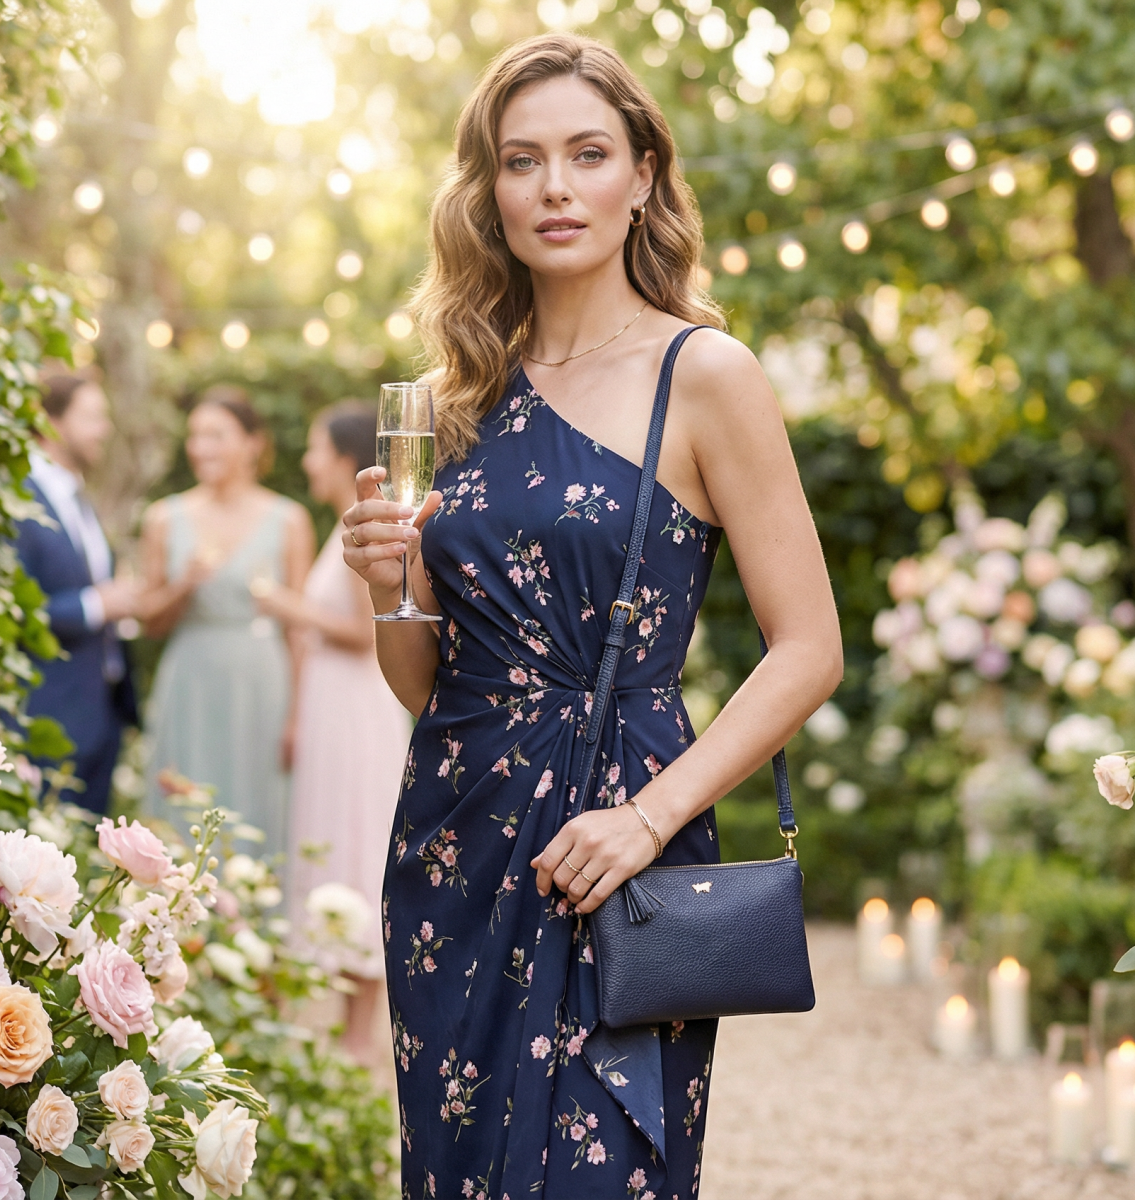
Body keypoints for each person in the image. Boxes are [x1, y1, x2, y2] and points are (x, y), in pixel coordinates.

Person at [341, 34, 844, 1199]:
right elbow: (433, 686)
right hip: (452, 847)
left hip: (618, 848)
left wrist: (649, 820)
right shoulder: (451, 397)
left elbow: (811, 646)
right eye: (523, 161)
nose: (555, 187)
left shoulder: (706, 375)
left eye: (586, 154)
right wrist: (387, 590)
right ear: (488, 193)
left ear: (643, 179)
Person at [255, 401, 411, 1066]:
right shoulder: (335, 530)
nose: (308, 461)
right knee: (337, 843)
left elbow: (361, 629)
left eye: (317, 449)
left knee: (358, 842)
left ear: (345, 458)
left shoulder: (358, 530)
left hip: (357, 711)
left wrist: (287, 606)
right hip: (333, 711)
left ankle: (360, 1032)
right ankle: (348, 1023)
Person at [139, 385, 313, 861]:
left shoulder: (289, 519)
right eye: (195, 436)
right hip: (190, 679)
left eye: (216, 435)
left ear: (253, 443)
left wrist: (298, 716)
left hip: (260, 682)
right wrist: (183, 584)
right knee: (181, 799)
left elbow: (298, 628)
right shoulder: (163, 517)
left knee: (255, 805)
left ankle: (250, 925)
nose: (200, 447)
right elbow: (149, 624)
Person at [16, 373, 141, 814]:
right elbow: (11, 610)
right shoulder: (18, 498)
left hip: (101, 715)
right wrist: (97, 604)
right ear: (50, 422)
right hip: (48, 715)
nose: (103, 430)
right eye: (91, 417)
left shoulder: (77, 497)